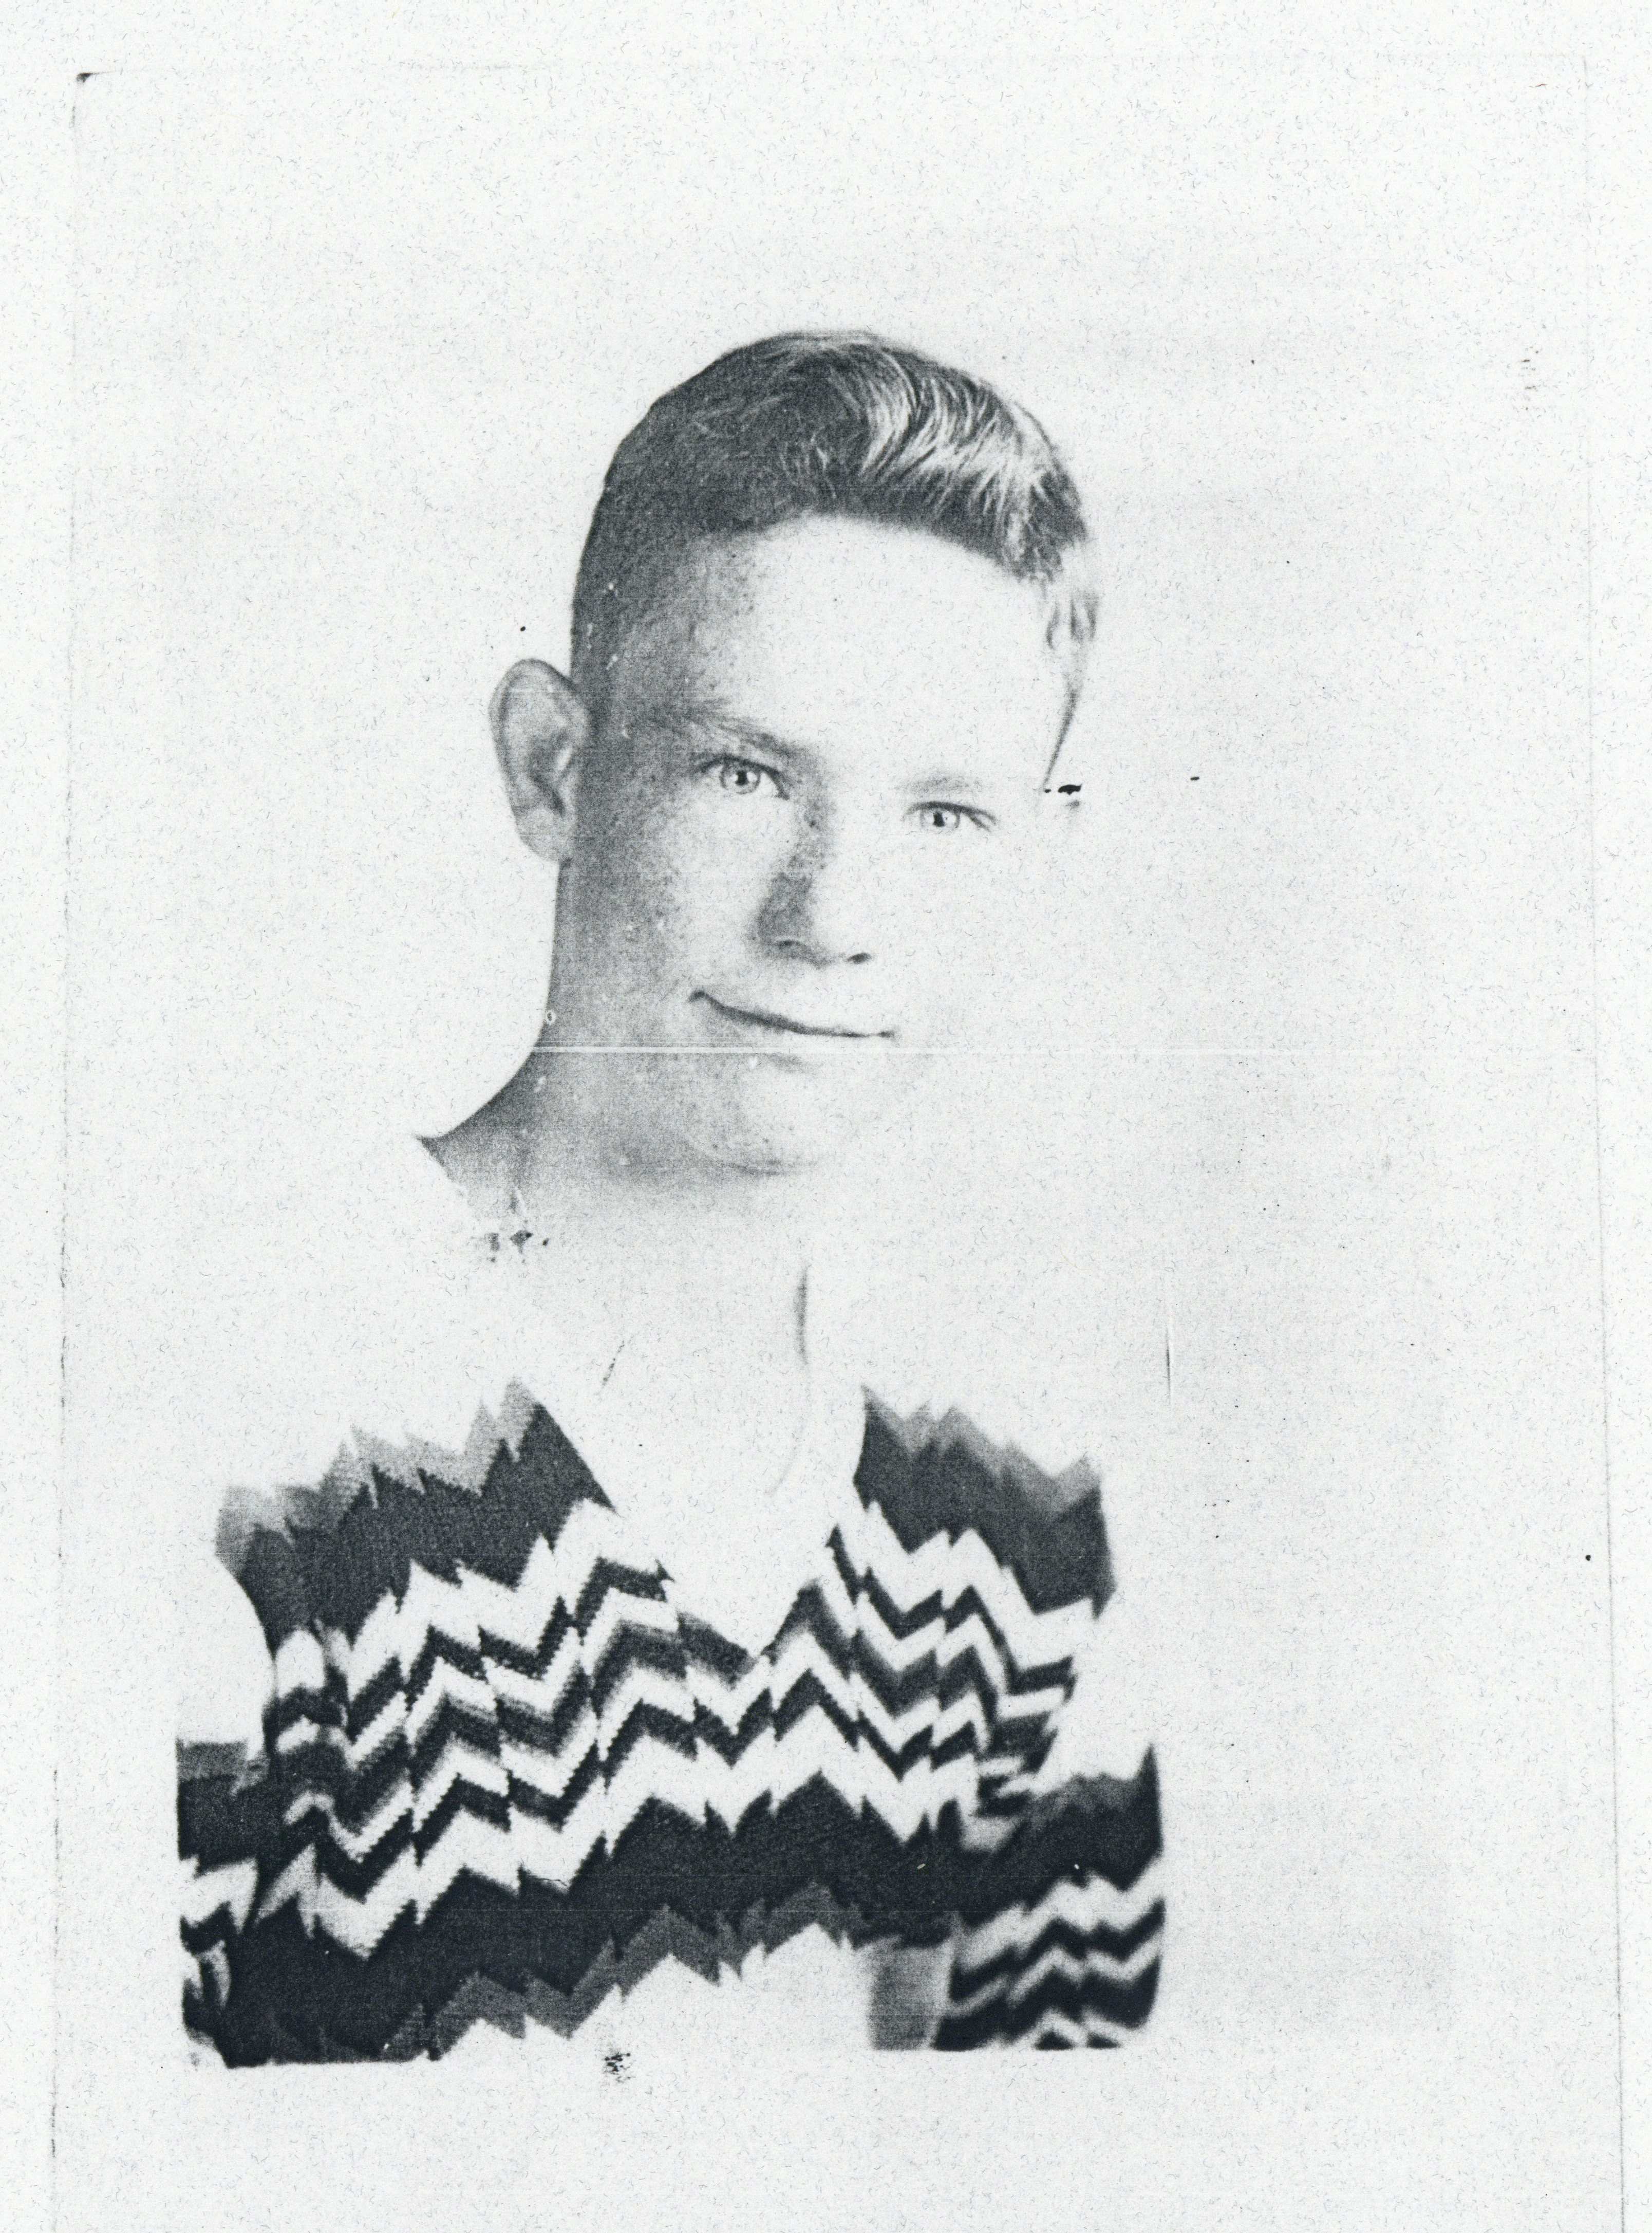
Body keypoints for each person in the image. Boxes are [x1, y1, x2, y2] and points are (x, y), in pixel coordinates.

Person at [177, 332, 1165, 2059]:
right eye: (745, 775)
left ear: (1042, 852)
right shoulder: (227, 1424)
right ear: (552, 767)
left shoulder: (1020, 1503)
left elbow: (1082, 2148)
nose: (833, 915)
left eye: (945, 814)